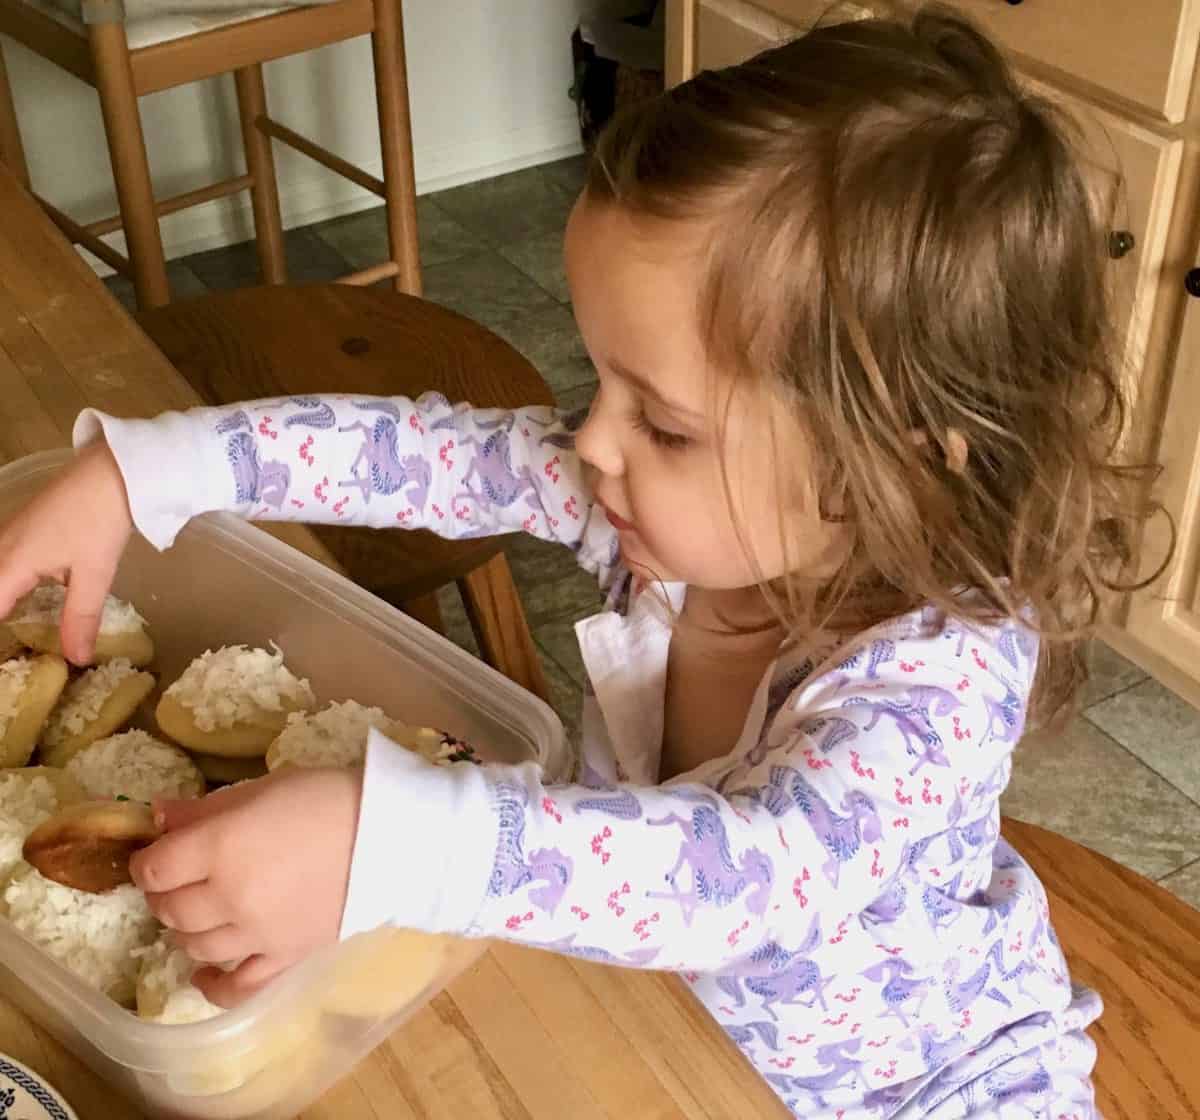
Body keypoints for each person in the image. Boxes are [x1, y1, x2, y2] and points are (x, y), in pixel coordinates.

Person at [0, 8, 1163, 1116]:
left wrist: (388, 841)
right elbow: (415, 452)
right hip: (676, 1033)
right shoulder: (661, 511)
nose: (590, 442)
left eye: (663, 422)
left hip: (930, 1091)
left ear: (886, 467)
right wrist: (149, 472)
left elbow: (736, 879)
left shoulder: (944, 679)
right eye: (600, 379)